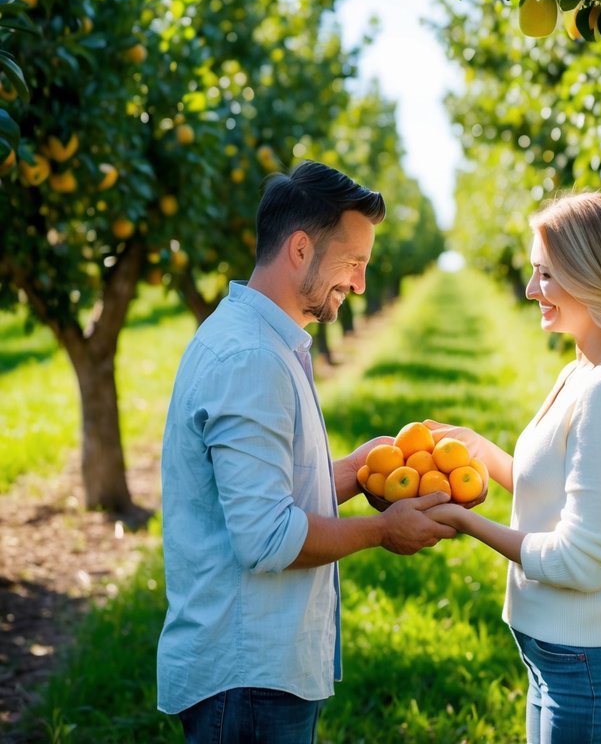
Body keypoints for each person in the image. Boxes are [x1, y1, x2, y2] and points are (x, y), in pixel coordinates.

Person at [157, 160, 454, 744]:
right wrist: (382, 530)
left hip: (258, 673)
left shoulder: (262, 339)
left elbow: (262, 488)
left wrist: (353, 471)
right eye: (354, 263)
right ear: (300, 249)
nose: (361, 283)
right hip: (247, 681)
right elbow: (266, 537)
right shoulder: (251, 359)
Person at [426, 191, 601, 744]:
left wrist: (464, 522)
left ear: (594, 275)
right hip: (556, 661)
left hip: (591, 672)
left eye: (546, 274)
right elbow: (556, 493)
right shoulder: (580, 371)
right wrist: (483, 453)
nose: (531, 290)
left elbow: (581, 561)